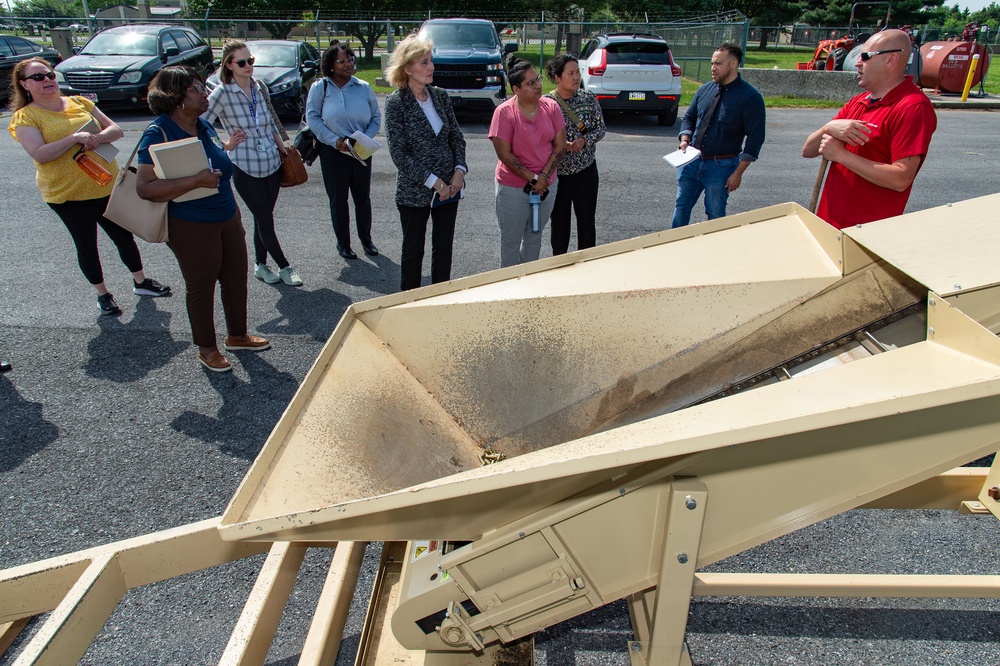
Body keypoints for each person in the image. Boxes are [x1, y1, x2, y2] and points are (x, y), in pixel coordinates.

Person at [8, 57, 171, 316]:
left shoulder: (79, 102)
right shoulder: (25, 116)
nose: (48, 80)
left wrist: (93, 138)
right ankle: (103, 294)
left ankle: (141, 282)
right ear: (24, 84)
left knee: (124, 236)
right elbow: (40, 153)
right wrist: (74, 138)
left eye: (49, 74)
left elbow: (116, 130)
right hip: (68, 194)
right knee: (87, 245)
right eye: (38, 77)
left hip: (106, 185)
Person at [135, 66, 270, 373]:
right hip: (190, 223)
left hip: (226, 215)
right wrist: (196, 180)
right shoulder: (159, 132)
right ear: (177, 98)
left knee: (235, 278)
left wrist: (235, 214)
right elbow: (145, 187)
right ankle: (207, 348)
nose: (205, 94)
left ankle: (237, 335)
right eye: (197, 89)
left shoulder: (203, 126)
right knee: (202, 284)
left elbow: (220, 172)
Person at [803, 29, 937, 229]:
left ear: (891, 60)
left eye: (865, 57)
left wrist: (841, 155)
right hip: (830, 223)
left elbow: (901, 178)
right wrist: (829, 128)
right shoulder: (859, 101)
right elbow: (808, 150)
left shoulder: (912, 107)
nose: (857, 62)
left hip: (867, 232)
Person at [204, 39, 302, 287]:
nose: (248, 65)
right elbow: (201, 124)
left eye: (251, 61)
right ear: (228, 65)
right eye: (242, 62)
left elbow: (270, 122)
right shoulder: (222, 92)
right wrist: (224, 144)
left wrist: (284, 149)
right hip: (244, 165)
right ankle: (285, 266)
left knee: (264, 217)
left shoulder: (259, 87)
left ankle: (260, 265)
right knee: (264, 218)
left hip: (270, 161)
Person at [383, 35, 467, 291]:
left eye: (431, 61)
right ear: (407, 68)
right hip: (414, 193)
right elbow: (399, 155)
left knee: (443, 249)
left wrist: (459, 171)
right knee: (413, 252)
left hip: (449, 190)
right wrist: (435, 183)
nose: (430, 67)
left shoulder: (440, 96)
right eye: (423, 62)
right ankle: (409, 304)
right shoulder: (396, 103)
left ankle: (439, 299)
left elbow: (456, 137)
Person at [671, 43, 765, 229]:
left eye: (718, 64)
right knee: (681, 207)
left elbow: (755, 138)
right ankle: (673, 248)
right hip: (692, 161)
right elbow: (689, 117)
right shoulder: (705, 90)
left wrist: (738, 173)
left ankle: (716, 253)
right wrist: (684, 139)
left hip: (721, 167)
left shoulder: (750, 97)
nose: (713, 68)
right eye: (712, 63)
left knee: (715, 214)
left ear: (733, 64)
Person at [306, 42, 382, 260]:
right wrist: (333, 140)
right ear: (330, 66)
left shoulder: (363, 87)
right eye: (342, 61)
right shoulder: (321, 88)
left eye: (350, 59)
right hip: (333, 150)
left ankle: (366, 241)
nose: (348, 64)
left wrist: (366, 137)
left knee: (362, 198)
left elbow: (376, 117)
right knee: (338, 199)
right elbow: (312, 118)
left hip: (360, 149)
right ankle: (344, 244)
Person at [488, 56, 566, 267]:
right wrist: (533, 179)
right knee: (511, 241)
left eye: (538, 80)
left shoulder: (551, 107)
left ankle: (528, 283)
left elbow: (559, 146)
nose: (538, 86)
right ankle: (510, 288)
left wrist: (543, 178)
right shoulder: (503, 113)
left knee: (534, 236)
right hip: (513, 190)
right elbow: (505, 155)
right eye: (530, 83)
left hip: (544, 188)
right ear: (516, 89)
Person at [544, 54, 606, 255]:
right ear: (557, 78)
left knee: (586, 222)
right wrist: (559, 145)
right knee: (559, 224)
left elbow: (600, 129)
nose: (576, 77)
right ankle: (559, 265)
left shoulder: (588, 98)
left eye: (577, 72)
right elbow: (540, 135)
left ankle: (587, 266)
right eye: (570, 73)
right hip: (558, 176)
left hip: (585, 171)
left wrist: (584, 141)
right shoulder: (546, 103)